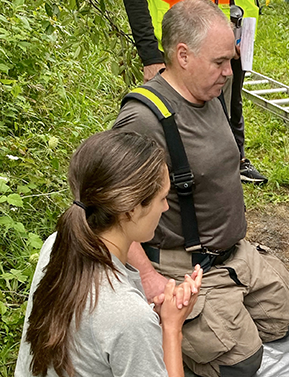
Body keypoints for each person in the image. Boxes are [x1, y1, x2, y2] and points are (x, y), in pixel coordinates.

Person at [114, 0, 289, 377]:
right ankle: (172, 330)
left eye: (230, 59)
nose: (229, 72)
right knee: (242, 363)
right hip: (189, 266)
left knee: (283, 321)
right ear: (183, 55)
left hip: (235, 254)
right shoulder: (144, 120)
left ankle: (225, 313)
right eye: (220, 62)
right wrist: (149, 277)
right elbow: (109, 210)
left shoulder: (209, 91)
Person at [15, 130, 203, 377]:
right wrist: (171, 326)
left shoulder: (58, 243)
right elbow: (118, 318)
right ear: (131, 210)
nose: (166, 207)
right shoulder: (128, 316)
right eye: (162, 198)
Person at [121, 0, 269, 184]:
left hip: (212, 54)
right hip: (175, 52)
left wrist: (233, 39)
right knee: (176, 136)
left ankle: (220, 194)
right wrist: (150, 56)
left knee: (216, 132)